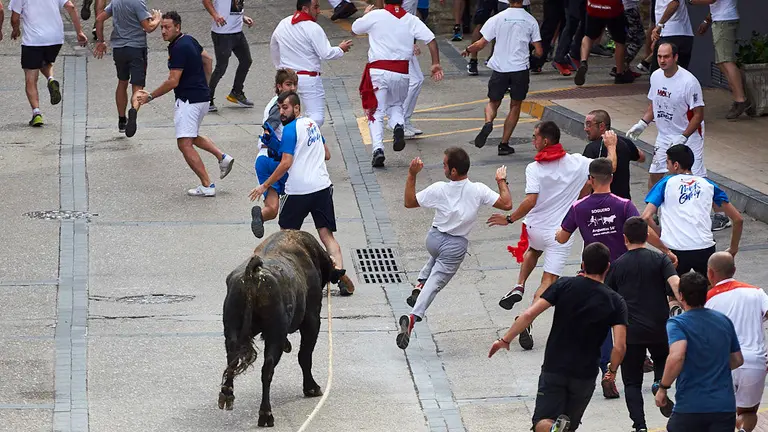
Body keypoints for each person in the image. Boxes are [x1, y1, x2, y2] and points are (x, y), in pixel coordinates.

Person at [487, 122, 617, 350]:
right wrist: (612, 146)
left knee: (533, 251)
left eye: (535, 137)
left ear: (546, 141)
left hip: (535, 230)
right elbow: (609, 169)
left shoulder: (534, 168)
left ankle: (519, 284)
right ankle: (527, 319)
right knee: (548, 282)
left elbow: (530, 201)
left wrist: (509, 219)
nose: (532, 140)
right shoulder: (578, 163)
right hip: (560, 234)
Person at [556, 158, 677, 400]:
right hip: (623, 271)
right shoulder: (623, 205)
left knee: (601, 324)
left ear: (590, 180)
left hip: (595, 273)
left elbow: (561, 238)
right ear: (611, 177)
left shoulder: (578, 207)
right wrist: (666, 250)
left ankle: (606, 372)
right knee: (628, 314)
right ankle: (637, 356)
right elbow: (644, 232)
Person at [489, 243, 628, 432]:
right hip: (585, 374)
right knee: (569, 426)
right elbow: (619, 346)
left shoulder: (564, 285)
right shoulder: (615, 301)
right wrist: (611, 371)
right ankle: (559, 428)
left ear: (583, 264)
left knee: (541, 422)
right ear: (608, 267)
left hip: (555, 367)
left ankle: (553, 428)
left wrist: (505, 340)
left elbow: (530, 314)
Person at [396, 149, 513, 349]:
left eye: (444, 165)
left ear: (453, 172)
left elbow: (409, 202)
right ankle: (413, 317)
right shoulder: (478, 190)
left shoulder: (439, 189)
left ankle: (419, 284)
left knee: (435, 261)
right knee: (436, 282)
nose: (441, 167)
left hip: (433, 239)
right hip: (455, 245)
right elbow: (507, 203)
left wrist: (412, 174)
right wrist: (501, 180)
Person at [248, 91, 352, 296]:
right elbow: (327, 154)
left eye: (285, 107)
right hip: (322, 187)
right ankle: (339, 274)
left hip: (299, 191)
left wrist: (264, 186)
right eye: (279, 107)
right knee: (326, 235)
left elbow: (286, 163)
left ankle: (287, 277)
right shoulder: (312, 124)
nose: (282, 111)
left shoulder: (289, 129)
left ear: (297, 108)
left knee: (285, 235)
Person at [135, 11, 235, 197]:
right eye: (162, 27)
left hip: (189, 101)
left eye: (167, 27)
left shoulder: (178, 48)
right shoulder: (189, 40)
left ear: (177, 27)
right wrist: (205, 85)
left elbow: (173, 81)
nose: (163, 31)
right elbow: (208, 60)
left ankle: (207, 184)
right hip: (202, 98)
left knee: (184, 143)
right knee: (191, 135)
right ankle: (222, 157)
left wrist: (150, 96)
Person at [605, 217, 680, 432]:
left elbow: (608, 297)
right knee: (661, 363)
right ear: (647, 236)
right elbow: (675, 284)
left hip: (630, 332)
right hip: (659, 327)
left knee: (632, 383)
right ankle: (658, 383)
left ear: (625, 238)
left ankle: (640, 427)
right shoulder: (660, 260)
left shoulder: (617, 265)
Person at [352, 0, 443, 168]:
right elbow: (431, 39)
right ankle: (399, 125)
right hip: (401, 72)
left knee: (376, 112)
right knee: (396, 106)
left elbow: (355, 29)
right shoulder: (411, 19)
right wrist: (435, 62)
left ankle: (378, 149)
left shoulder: (375, 15)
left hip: (378, 71)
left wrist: (366, 15)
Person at [641, 145, 743, 286]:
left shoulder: (665, 183)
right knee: (709, 291)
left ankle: (675, 308)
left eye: (667, 162)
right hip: (704, 246)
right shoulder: (708, 184)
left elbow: (646, 217)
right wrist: (733, 248)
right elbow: (738, 219)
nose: (667, 167)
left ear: (675, 165)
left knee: (674, 294)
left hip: (675, 247)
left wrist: (659, 232)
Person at [654, 272, 743, 432]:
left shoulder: (677, 323)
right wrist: (714, 365)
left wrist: (663, 387)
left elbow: (677, 356)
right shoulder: (724, 320)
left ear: (681, 296)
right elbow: (737, 359)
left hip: (690, 406)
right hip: (723, 406)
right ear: (706, 293)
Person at [461, 0, 543, 156]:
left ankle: (488, 122)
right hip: (520, 68)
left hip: (500, 68)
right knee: (515, 105)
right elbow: (539, 50)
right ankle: (504, 144)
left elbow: (481, 43)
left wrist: (467, 49)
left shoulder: (497, 18)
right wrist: (534, 57)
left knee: (493, 102)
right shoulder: (530, 20)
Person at [627, 43, 706, 189]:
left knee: (697, 178)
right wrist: (642, 124)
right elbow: (654, 105)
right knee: (655, 174)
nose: (662, 60)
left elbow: (698, 115)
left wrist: (683, 138)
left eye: (666, 57)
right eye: (659, 56)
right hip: (664, 136)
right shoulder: (656, 76)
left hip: (689, 136)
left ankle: (718, 211)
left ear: (675, 57)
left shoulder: (689, 82)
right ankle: (653, 211)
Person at [705, 252, 768, 432]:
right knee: (748, 412)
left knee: (720, 413)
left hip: (722, 364)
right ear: (734, 270)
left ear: (710, 273)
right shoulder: (756, 292)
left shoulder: (707, 299)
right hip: (754, 362)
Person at [270, 0, 353, 128]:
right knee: (316, 118)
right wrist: (340, 49)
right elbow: (326, 53)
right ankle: (304, 139)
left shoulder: (284, 23)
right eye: (316, 7)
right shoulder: (313, 27)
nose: (319, 11)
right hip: (309, 79)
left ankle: (292, 138)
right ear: (305, 9)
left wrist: (280, 69)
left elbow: (274, 46)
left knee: (286, 113)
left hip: (288, 78)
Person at [9, 0, 87, 127]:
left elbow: (14, 18)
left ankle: (36, 113)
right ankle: (51, 79)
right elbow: (71, 7)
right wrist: (79, 32)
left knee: (31, 78)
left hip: (33, 41)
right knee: (46, 62)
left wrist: (15, 30)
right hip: (55, 38)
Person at [93, 0, 161, 137]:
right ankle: (133, 111)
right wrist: (157, 19)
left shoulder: (116, 2)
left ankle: (121, 119)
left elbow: (99, 19)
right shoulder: (137, 2)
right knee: (137, 86)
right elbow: (148, 27)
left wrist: (101, 41)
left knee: (122, 82)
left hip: (119, 49)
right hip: (136, 48)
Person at [250, 69, 299, 239]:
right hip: (277, 160)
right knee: (295, 202)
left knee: (272, 209)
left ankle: (260, 215)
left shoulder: (274, 102)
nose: (292, 88)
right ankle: (287, 238)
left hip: (262, 159)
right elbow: (270, 125)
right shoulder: (281, 107)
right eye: (288, 84)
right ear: (279, 86)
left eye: (294, 84)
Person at [692, 0, 750, 119]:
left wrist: (691, 1)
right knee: (722, 62)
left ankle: (741, 99)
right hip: (722, 20)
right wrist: (707, 20)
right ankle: (738, 97)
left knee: (726, 61)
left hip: (724, 20)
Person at [203, 0, 254, 112]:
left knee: (246, 60)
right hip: (222, 33)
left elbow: (234, 6)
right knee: (221, 68)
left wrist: (242, 17)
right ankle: (207, 98)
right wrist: (215, 15)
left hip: (237, 31)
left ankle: (236, 92)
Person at [582, 109, 645, 200]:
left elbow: (587, 181)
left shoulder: (591, 149)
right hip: (624, 201)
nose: (585, 128)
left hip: (602, 202)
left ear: (601, 126)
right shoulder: (625, 142)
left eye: (589, 124)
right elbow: (642, 157)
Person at [573, 0, 636, 85]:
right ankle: (619, 73)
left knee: (588, 36)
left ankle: (583, 61)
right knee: (619, 41)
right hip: (613, 9)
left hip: (593, 7)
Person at [649, 0, 694, 70]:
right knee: (679, 73)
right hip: (680, 34)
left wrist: (660, 25)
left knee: (661, 74)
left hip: (670, 34)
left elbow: (674, 3)